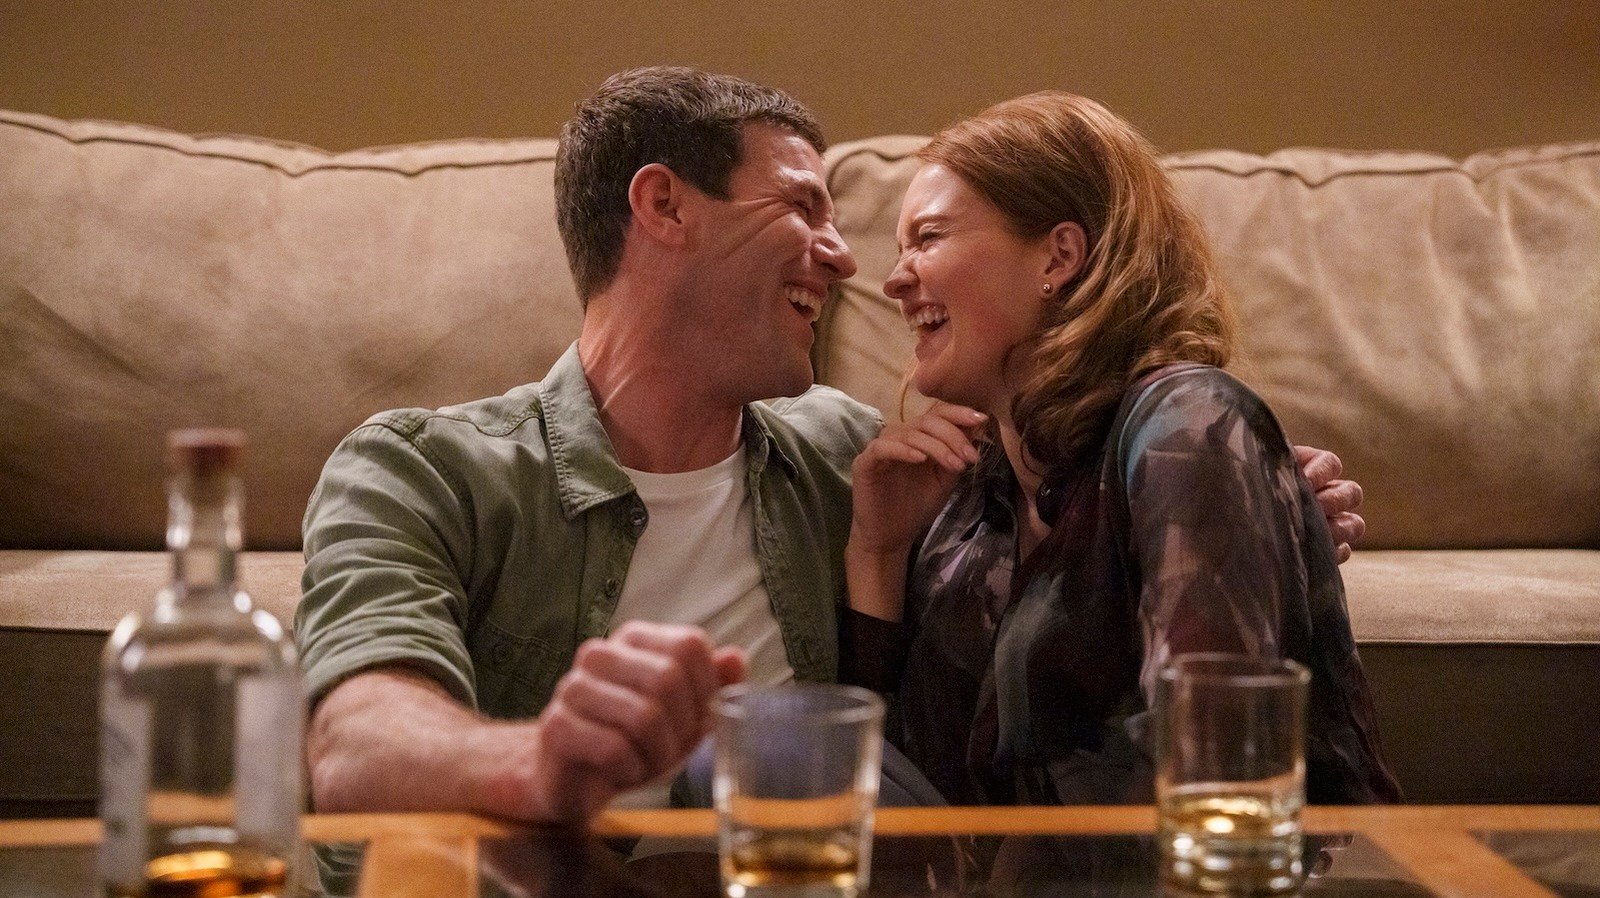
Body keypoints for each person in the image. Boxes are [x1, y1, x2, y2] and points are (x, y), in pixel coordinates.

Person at [297, 67, 1369, 835]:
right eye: (803, 206)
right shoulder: (422, 471)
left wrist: (1250, 510)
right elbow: (351, 745)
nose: (851, 262)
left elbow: (1088, 529)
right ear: (663, 206)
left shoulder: (855, 461)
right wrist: (540, 762)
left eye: (922, 238)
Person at [842, 92, 1401, 806]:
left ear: (1059, 256)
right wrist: (877, 554)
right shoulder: (973, 489)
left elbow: (1212, 770)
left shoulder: (1188, 429)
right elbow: (882, 778)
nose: (894, 281)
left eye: (927, 238)